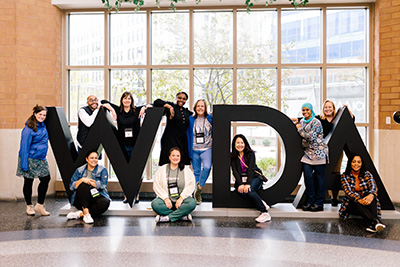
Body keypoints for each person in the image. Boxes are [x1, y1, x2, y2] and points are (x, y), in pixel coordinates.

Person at [101, 92, 147, 204]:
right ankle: (127, 195)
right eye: (125, 98)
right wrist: (112, 111)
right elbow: (103, 102)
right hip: (122, 145)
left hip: (136, 145)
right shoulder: (118, 110)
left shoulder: (136, 110)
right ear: (121, 100)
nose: (127, 100)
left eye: (129, 98)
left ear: (132, 100)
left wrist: (144, 108)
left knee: (136, 171)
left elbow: (151, 105)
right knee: (125, 172)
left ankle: (136, 194)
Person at [16, 105, 51, 216]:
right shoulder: (28, 129)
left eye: (44, 115)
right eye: (40, 114)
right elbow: (24, 147)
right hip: (29, 158)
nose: (42, 116)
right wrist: (24, 164)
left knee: (46, 179)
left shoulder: (43, 125)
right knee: (28, 182)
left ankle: (40, 205)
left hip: (40, 158)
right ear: (35, 114)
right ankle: (29, 206)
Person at [295, 103, 328, 212]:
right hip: (308, 153)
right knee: (308, 177)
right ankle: (310, 201)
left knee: (319, 179)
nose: (305, 112)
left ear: (311, 110)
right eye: (303, 110)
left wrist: (299, 130)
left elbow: (310, 137)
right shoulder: (302, 121)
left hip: (319, 153)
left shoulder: (316, 122)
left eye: (307, 110)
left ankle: (319, 203)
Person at [339, 154, 386, 233]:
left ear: (361, 164)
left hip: (366, 201)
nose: (356, 164)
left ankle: (373, 224)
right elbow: (348, 192)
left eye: (358, 162)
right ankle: (376, 221)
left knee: (372, 197)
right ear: (350, 163)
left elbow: (373, 186)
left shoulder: (367, 174)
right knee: (356, 202)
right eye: (354, 162)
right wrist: (359, 199)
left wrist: (370, 195)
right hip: (352, 203)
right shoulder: (344, 176)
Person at [230, 134, 271, 223]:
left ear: (245, 144)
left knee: (248, 190)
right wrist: (240, 184)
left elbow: (251, 169)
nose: (240, 145)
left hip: (254, 177)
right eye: (237, 143)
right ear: (234, 144)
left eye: (242, 142)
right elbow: (235, 171)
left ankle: (265, 213)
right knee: (240, 191)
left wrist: (247, 184)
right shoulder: (233, 156)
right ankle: (261, 202)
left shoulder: (250, 154)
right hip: (242, 180)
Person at [151, 147, 196, 223]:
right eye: (173, 155)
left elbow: (191, 185)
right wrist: (165, 198)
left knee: (192, 203)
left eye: (178, 156)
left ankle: (167, 217)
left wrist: (181, 198)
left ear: (180, 157)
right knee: (155, 204)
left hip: (182, 201)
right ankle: (181, 215)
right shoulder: (162, 169)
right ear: (169, 157)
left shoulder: (186, 170)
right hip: (167, 202)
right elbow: (156, 185)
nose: (175, 158)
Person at [67, 150, 110, 224]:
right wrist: (82, 180)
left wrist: (91, 182)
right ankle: (86, 214)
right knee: (84, 185)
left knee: (105, 203)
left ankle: (80, 214)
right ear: (87, 159)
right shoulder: (79, 170)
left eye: (96, 158)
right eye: (92, 158)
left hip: (95, 196)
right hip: (81, 199)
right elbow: (71, 186)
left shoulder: (103, 170)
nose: (94, 160)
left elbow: (103, 185)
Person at [153, 92, 193, 166]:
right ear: (176, 98)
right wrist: (169, 107)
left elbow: (196, 115)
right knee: (168, 161)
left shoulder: (186, 112)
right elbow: (156, 102)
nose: (181, 100)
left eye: (184, 99)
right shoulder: (171, 107)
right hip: (170, 139)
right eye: (179, 98)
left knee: (180, 162)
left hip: (182, 140)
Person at [187, 99, 213, 204]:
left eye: (202, 106)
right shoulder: (191, 119)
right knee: (196, 172)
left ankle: (199, 187)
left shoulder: (210, 119)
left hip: (207, 148)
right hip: (194, 149)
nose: (200, 108)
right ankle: (197, 195)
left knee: (207, 167)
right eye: (198, 106)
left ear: (205, 108)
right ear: (195, 108)